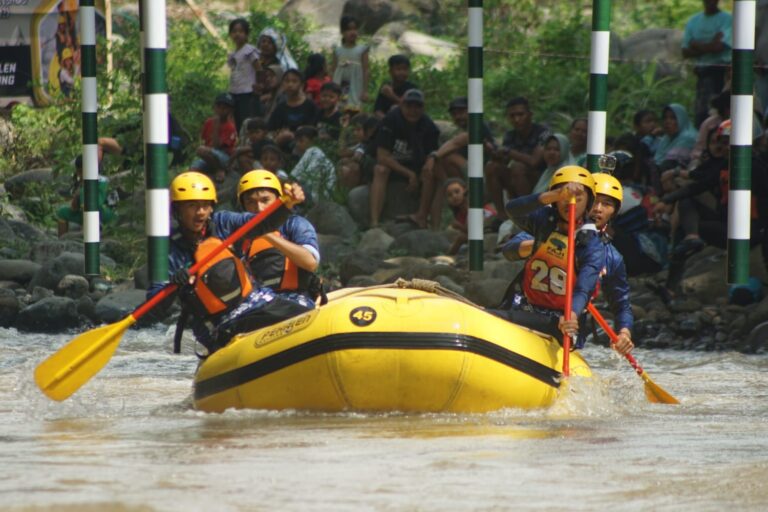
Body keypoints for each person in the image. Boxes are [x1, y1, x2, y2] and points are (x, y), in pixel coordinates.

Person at [146, 171, 310, 355]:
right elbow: (153, 308)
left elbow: (259, 223)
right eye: (192, 206)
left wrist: (286, 205)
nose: (200, 212)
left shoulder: (223, 223)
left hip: (258, 303)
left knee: (309, 319)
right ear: (177, 210)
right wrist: (175, 285)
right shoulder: (168, 250)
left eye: (205, 205)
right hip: (220, 324)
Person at [490, 166, 604, 344]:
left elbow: (584, 288)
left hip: (560, 320)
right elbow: (512, 209)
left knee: (494, 316)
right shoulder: (544, 220)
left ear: (588, 203)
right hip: (527, 307)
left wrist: (571, 315)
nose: (569, 203)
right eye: (563, 199)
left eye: (578, 198)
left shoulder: (591, 244)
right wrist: (556, 194)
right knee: (493, 315)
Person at [237, 170, 321, 305]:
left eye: (265, 200)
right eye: (250, 202)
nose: (259, 208)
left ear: (278, 199)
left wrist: (266, 233)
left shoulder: (294, 224)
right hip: (258, 304)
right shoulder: (239, 236)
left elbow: (310, 263)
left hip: (296, 298)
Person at [371, 89, 440, 228]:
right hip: (393, 166)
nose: (413, 111)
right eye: (409, 106)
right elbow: (382, 156)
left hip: (415, 166)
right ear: (402, 105)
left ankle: (424, 217)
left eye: (417, 106)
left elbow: (433, 152)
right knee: (380, 170)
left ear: (423, 108)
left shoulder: (428, 126)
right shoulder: (390, 120)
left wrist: (427, 165)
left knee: (431, 172)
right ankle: (374, 222)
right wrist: (409, 174)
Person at [484, 97, 550, 215]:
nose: (516, 119)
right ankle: (502, 215)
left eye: (520, 114)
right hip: (516, 179)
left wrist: (509, 152)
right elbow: (503, 161)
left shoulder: (542, 132)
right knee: (491, 167)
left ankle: (528, 214)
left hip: (541, 182)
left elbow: (534, 162)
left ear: (530, 114)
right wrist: (494, 153)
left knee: (518, 167)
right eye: (512, 116)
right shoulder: (510, 135)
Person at [57, 138, 122, 237]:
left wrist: (82, 193)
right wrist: (76, 198)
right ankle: (62, 241)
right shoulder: (82, 184)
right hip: (88, 214)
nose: (80, 174)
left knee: (85, 192)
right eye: (79, 171)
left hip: (106, 213)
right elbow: (74, 208)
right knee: (62, 212)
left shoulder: (102, 181)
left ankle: (88, 230)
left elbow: (102, 203)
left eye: (82, 171)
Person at [682, 0, 732, 127]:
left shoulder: (727, 19)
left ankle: (723, 141)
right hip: (702, 75)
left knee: (722, 113)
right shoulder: (693, 21)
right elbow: (685, 51)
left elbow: (718, 47)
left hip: (720, 74)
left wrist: (696, 44)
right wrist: (710, 45)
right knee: (703, 115)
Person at [189, 93, 238, 183]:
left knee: (202, 150)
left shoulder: (230, 126)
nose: (221, 110)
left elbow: (217, 146)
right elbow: (204, 141)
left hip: (224, 158)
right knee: (193, 168)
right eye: (219, 106)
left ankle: (219, 170)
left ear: (230, 110)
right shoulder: (209, 122)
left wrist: (216, 127)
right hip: (209, 155)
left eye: (225, 107)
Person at [267, 69, 319, 149]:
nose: (290, 85)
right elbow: (271, 129)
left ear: (302, 85)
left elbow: (313, 131)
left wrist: (293, 135)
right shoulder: (280, 107)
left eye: (294, 81)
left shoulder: (311, 106)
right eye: (287, 81)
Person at [288, 126, 337, 206]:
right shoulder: (320, 154)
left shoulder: (312, 151)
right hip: (325, 196)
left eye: (301, 141)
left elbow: (294, 177)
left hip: (315, 197)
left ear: (313, 141)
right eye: (297, 142)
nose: (298, 145)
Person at [227, 18, 260, 132]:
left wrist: (258, 86)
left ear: (246, 34)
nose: (237, 34)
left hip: (247, 91)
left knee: (246, 120)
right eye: (234, 31)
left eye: (241, 31)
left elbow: (258, 68)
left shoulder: (249, 51)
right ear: (230, 34)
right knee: (236, 121)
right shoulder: (233, 54)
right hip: (235, 91)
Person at [331, 15, 370, 109]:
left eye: (355, 29)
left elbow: (366, 70)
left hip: (356, 85)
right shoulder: (338, 51)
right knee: (339, 107)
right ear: (342, 32)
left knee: (354, 108)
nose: (352, 32)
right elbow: (333, 70)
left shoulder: (362, 50)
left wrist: (365, 91)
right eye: (348, 29)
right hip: (339, 85)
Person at [654, 103, 698, 174]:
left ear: (681, 118)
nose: (667, 122)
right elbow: (657, 161)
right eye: (665, 118)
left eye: (673, 118)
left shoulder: (688, 137)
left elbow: (670, 164)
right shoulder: (666, 138)